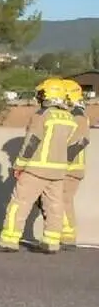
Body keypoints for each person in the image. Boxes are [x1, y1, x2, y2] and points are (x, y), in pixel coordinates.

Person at [0, 78, 79, 254]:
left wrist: (19, 165)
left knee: (19, 204)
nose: (39, 97)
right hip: (58, 172)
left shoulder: (42, 115)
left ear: (49, 95)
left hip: (36, 169)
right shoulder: (70, 118)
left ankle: (8, 241)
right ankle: (51, 243)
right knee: (54, 207)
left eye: (41, 94)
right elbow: (71, 146)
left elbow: (31, 142)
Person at [62, 79, 89, 250]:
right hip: (69, 167)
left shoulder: (77, 115)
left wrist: (63, 160)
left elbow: (81, 140)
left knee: (64, 201)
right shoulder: (73, 114)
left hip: (70, 168)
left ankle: (67, 237)